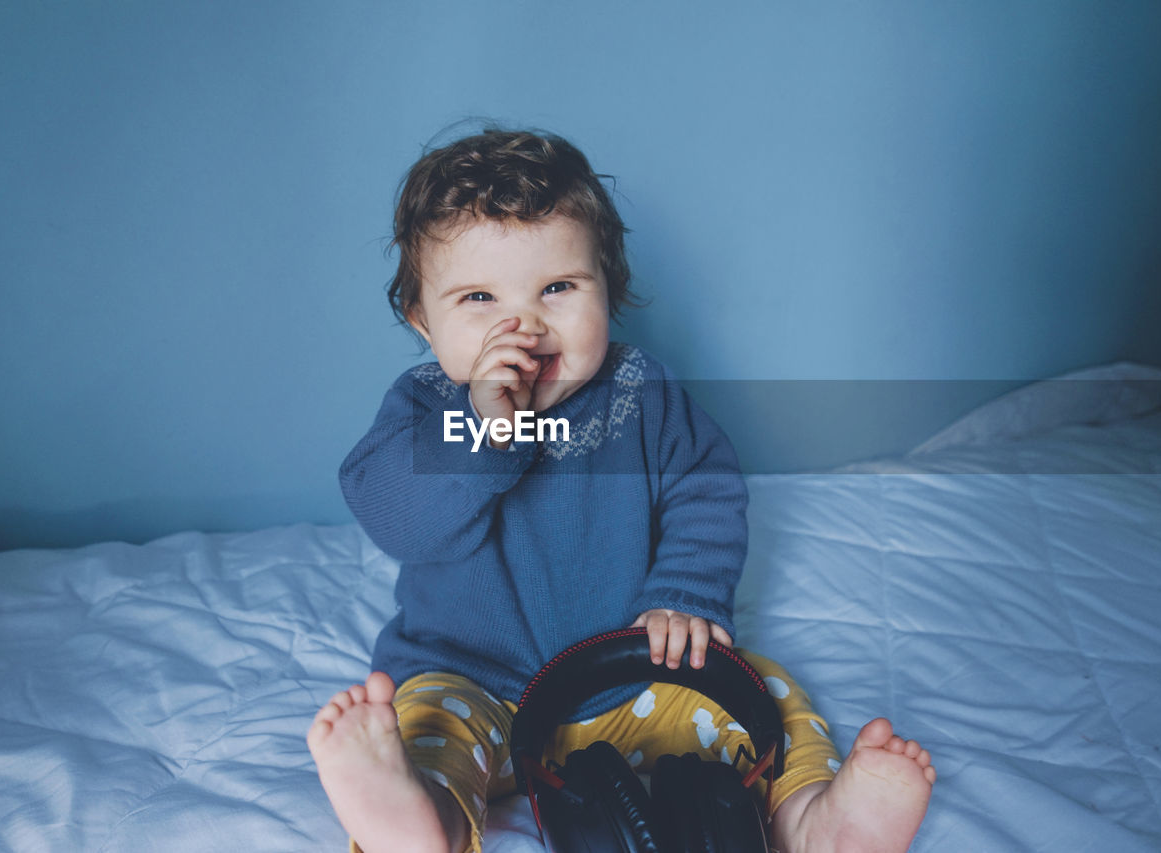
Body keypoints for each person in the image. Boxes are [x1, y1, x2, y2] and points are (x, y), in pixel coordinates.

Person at [307, 126, 935, 853]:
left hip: (630, 675)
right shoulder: (422, 407)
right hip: (474, 681)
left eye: (559, 287)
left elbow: (705, 491)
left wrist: (685, 595)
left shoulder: (640, 392)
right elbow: (399, 521)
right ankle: (422, 821)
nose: (525, 325)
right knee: (426, 727)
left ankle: (813, 818)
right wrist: (482, 429)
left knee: (764, 690)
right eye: (479, 297)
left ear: (610, 287)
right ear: (422, 318)